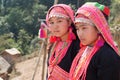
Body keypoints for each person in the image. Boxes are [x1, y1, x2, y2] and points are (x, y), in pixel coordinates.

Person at [69, 2, 120, 80]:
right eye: (77, 29)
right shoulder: (84, 51)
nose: (80, 33)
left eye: (84, 28)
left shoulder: (108, 56)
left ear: (98, 28)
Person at [46, 4, 80, 80]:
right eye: (51, 23)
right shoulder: (53, 45)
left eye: (59, 21)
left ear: (69, 22)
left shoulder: (77, 45)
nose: (55, 26)